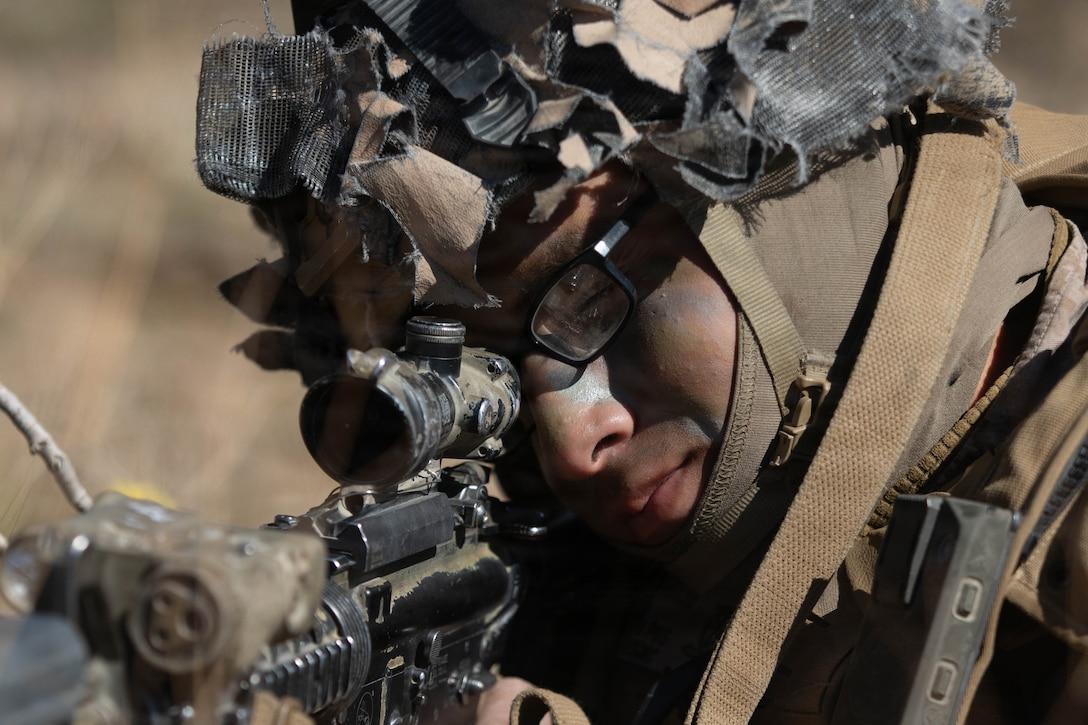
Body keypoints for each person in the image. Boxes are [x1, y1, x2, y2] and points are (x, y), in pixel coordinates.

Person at [196, 0, 1088, 722]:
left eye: (586, 305)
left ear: (793, 176)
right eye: (490, 375)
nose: (572, 443)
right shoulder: (618, 572)